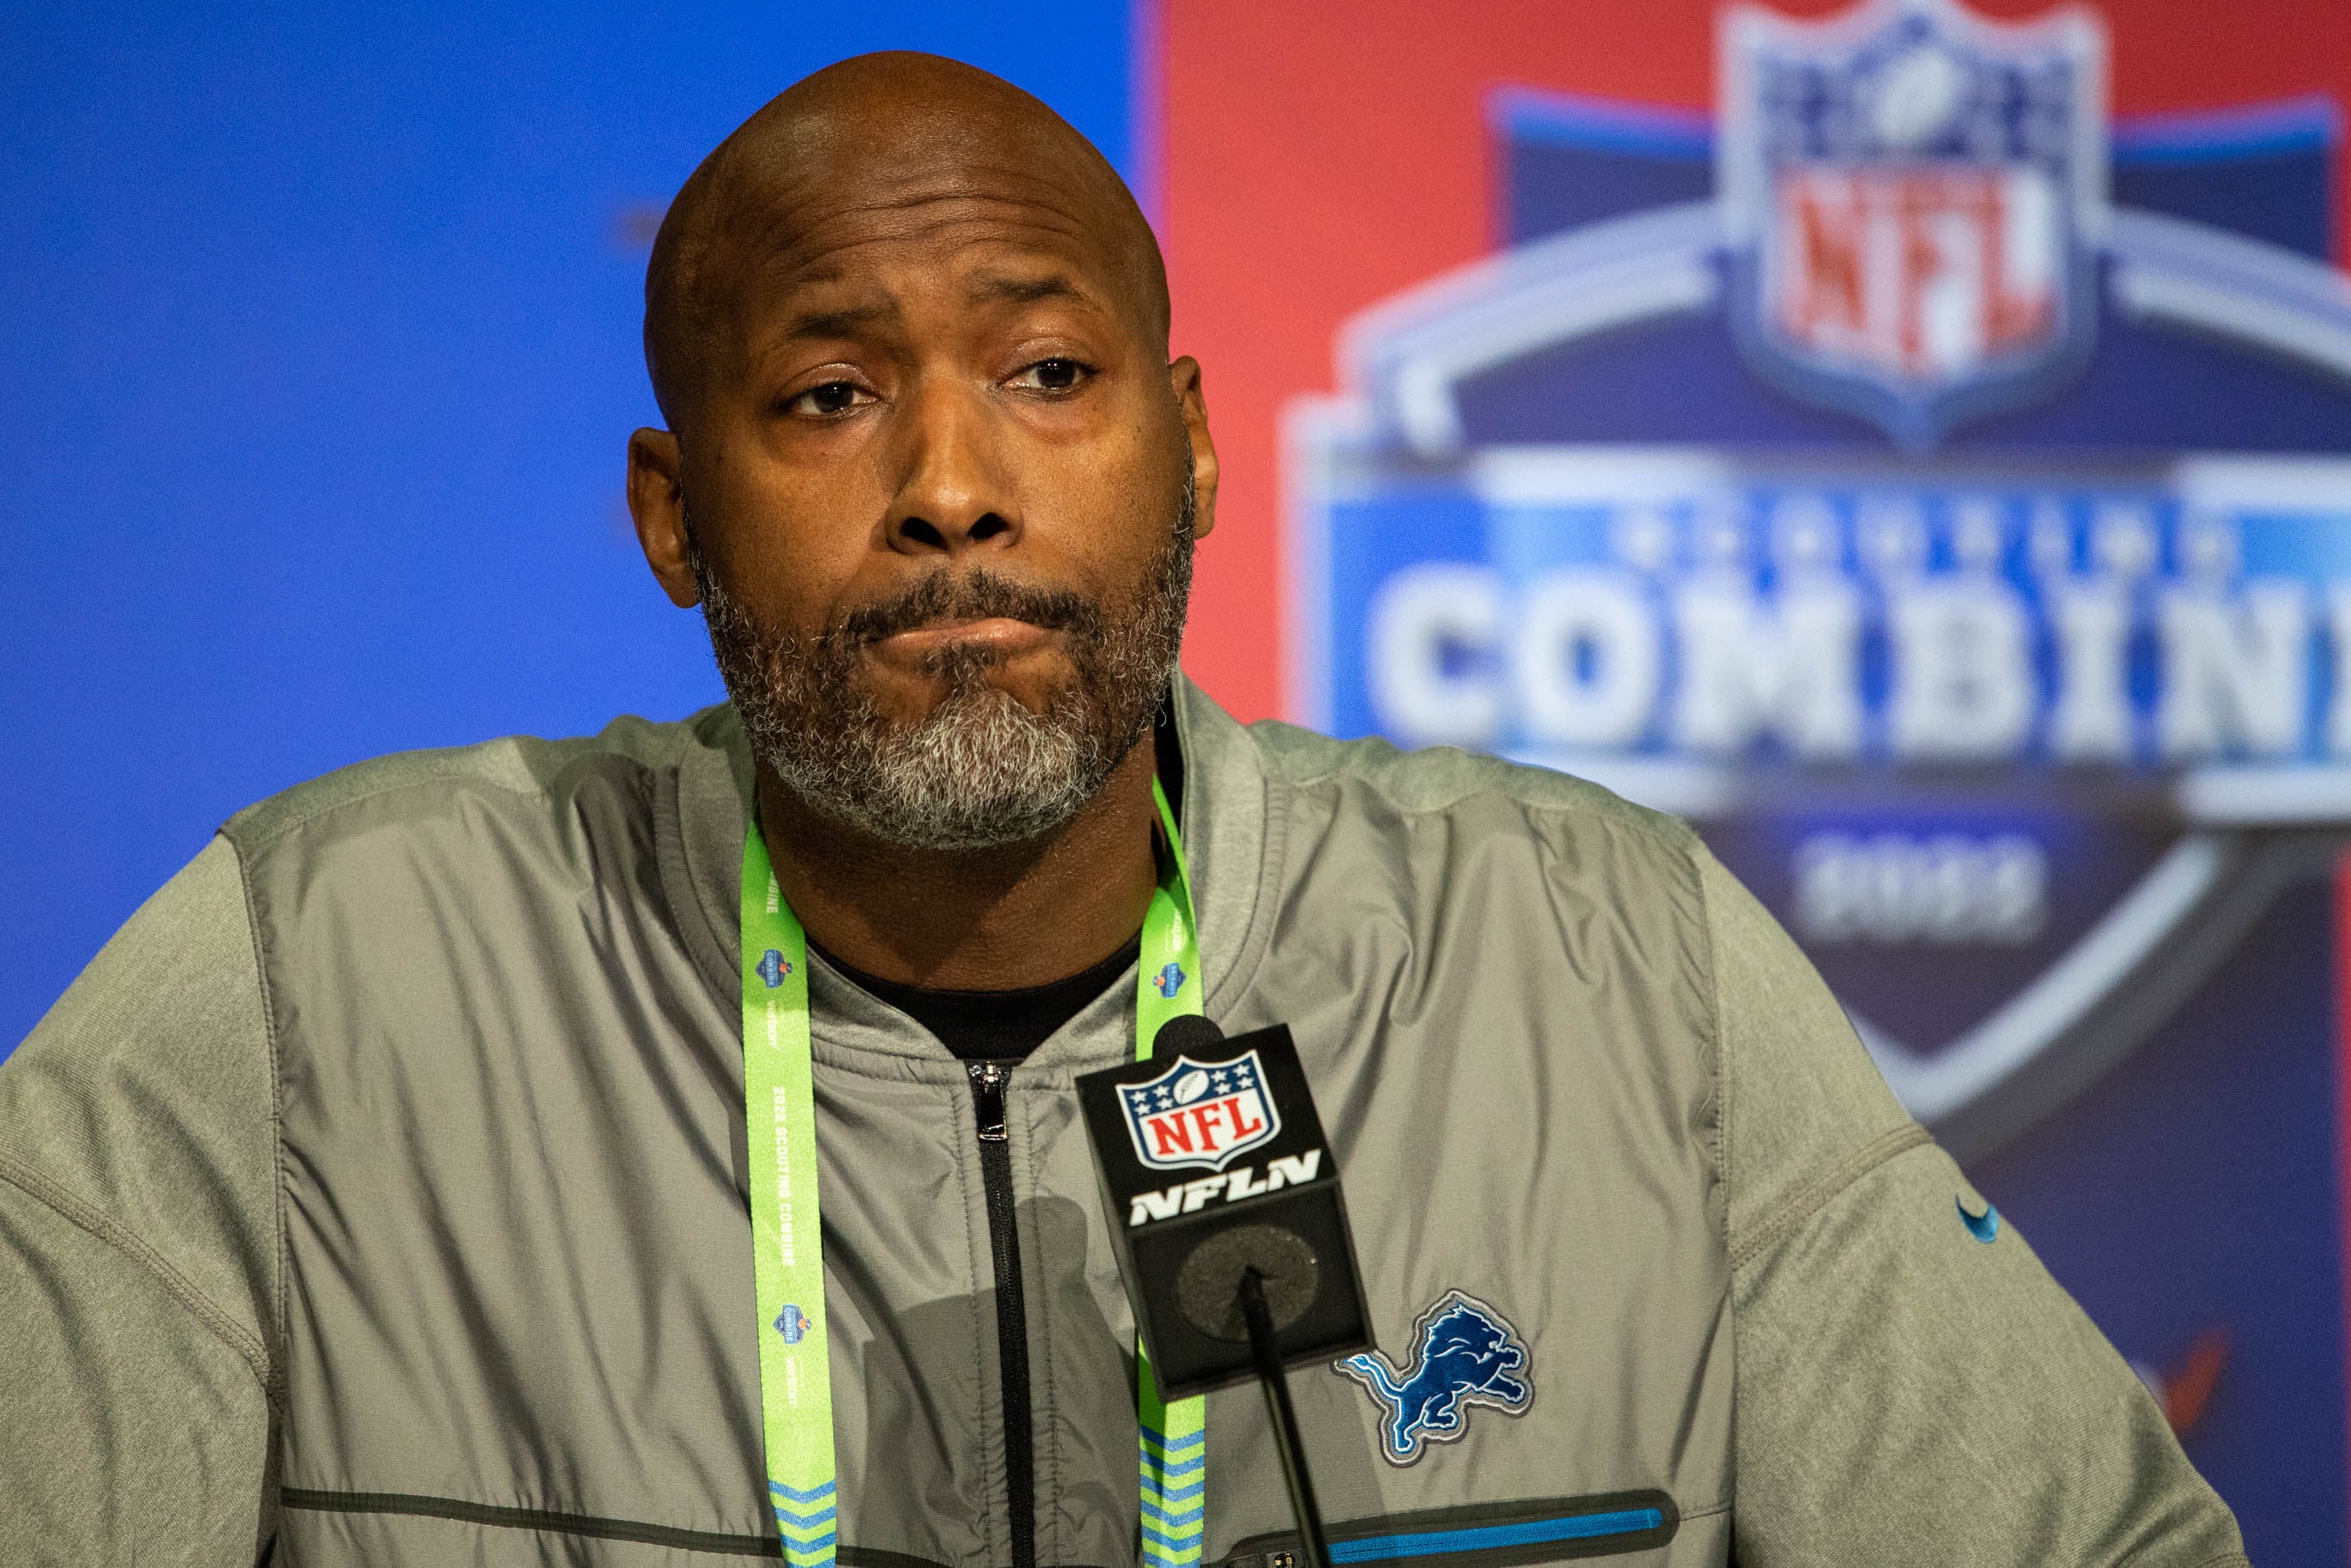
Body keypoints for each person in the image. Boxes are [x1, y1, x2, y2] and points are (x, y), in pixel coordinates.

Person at [0, 50, 2247, 1568]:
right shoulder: (321, 981)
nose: (952, 488)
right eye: (828, 393)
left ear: (1182, 443)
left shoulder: (1596, 957)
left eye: (1046, 373)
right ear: (669, 517)